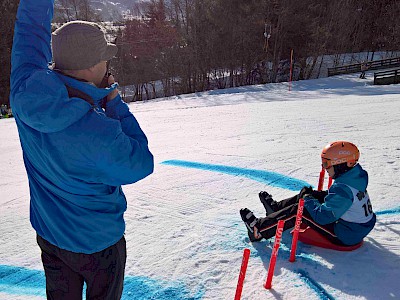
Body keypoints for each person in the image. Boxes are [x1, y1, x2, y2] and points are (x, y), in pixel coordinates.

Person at [10, 0, 154, 298]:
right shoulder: (99, 132)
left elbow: (30, 30)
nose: (108, 65)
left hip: (49, 235)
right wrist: (114, 102)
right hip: (99, 244)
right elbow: (141, 161)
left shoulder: (26, 89)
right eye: (105, 59)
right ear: (91, 67)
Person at [240, 141, 376, 247]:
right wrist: (310, 196)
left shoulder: (343, 189)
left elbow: (323, 217)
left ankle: (259, 230)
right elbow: (338, 198)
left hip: (345, 235)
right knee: (310, 194)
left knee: (302, 211)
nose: (324, 168)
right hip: (354, 228)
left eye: (327, 164)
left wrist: (309, 200)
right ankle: (276, 210)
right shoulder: (353, 178)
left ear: (341, 164)